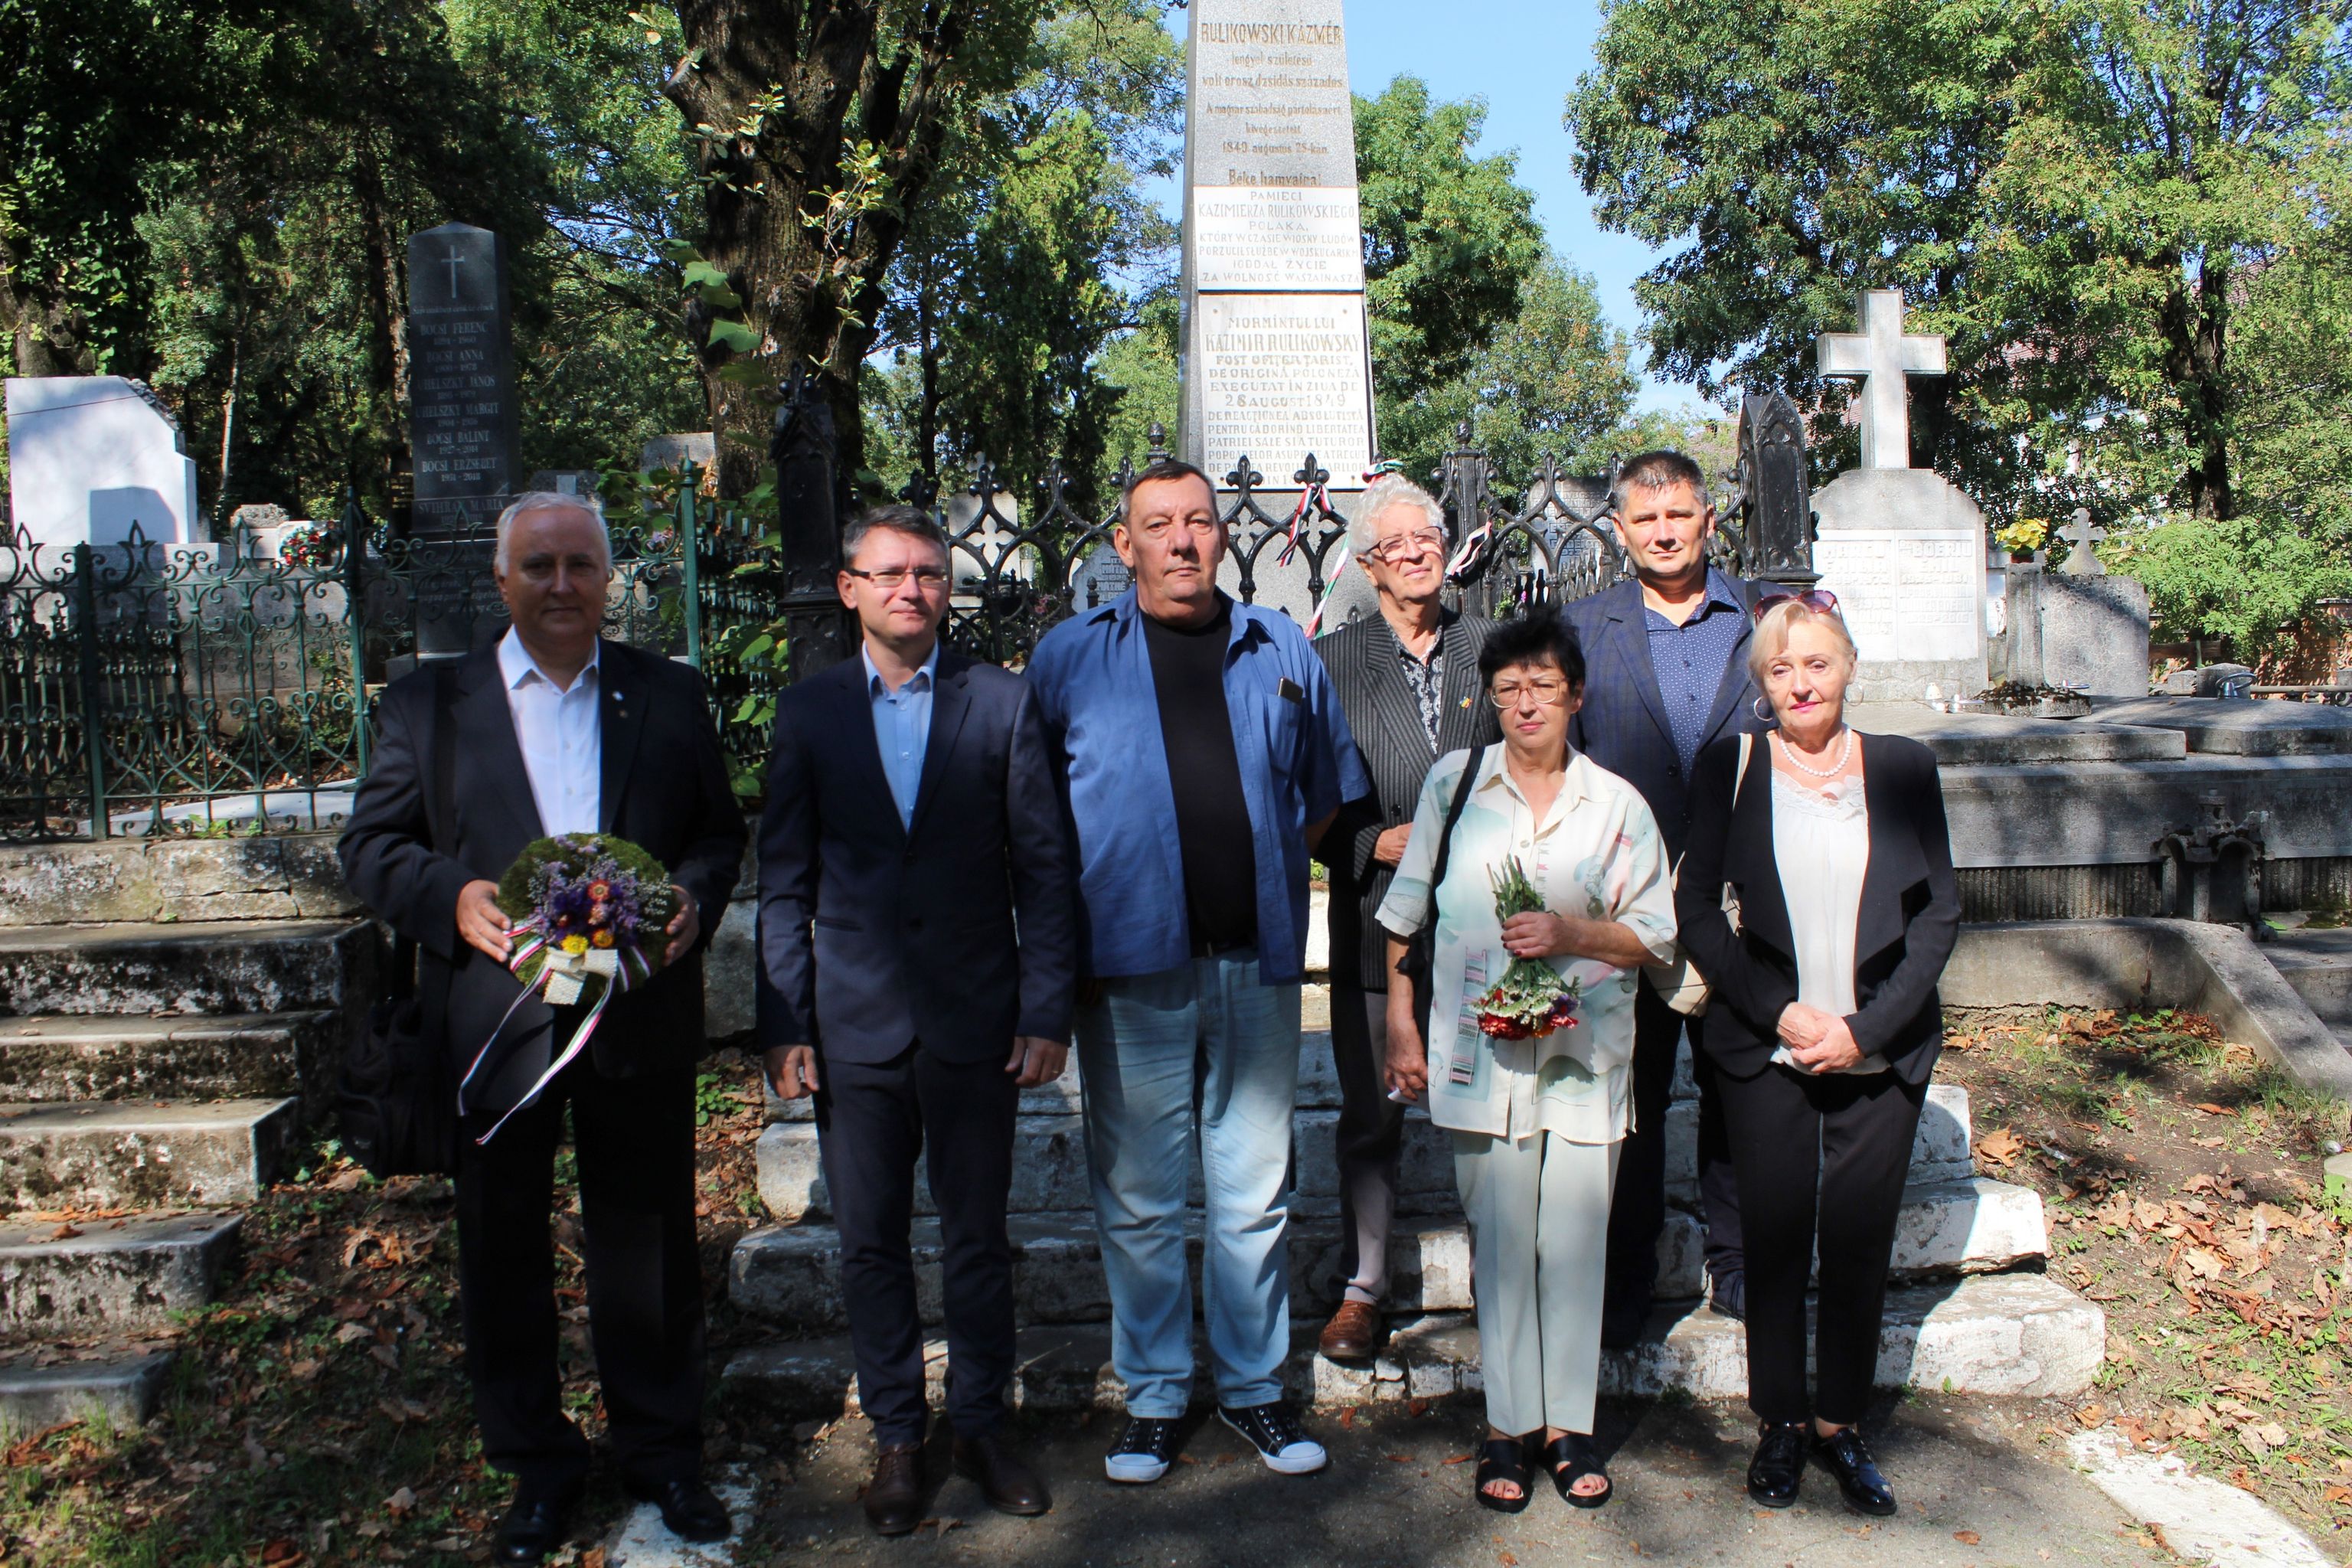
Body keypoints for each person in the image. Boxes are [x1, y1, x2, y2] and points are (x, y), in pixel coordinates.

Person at [339, 492, 746, 1563]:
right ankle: (535, 1465)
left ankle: (662, 1451)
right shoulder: (430, 704)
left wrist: (695, 898)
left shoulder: (668, 694)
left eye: (580, 565)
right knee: (502, 1242)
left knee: (648, 1238)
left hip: (635, 1009)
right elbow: (371, 846)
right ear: (502, 579)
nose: (562, 584)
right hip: (496, 1020)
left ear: (609, 579)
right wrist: (451, 897)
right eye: (540, 565)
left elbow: (716, 834)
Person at [1027, 458, 1371, 1485]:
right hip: (1129, 968)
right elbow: (1035, 822)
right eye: (1158, 524)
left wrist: (1257, 868)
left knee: (1254, 1194)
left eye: (1199, 521)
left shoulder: (1281, 646)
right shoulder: (1069, 659)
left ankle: (1255, 1391)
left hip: (1255, 964)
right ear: (1124, 544)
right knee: (1139, 1199)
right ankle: (1155, 1397)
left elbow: (1324, 794)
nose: (1182, 540)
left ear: (1223, 535)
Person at [756, 505, 1078, 1534]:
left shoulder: (1002, 702)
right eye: (890, 572)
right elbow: (783, 883)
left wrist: (1046, 1007)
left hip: (977, 1019)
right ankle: (899, 1435)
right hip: (853, 1025)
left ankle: (980, 1424)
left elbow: (1044, 868)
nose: (912, 589)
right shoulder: (809, 712)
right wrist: (784, 1021)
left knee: (979, 1236)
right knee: (870, 1242)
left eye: (929, 572)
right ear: (849, 587)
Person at [1379, 613, 1676, 1513]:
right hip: (1481, 1054)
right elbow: (1405, 911)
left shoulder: (1617, 805)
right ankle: (1507, 1425)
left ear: (1575, 695)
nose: (1525, 704)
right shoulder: (1455, 784)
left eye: (1543, 685)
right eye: (1508, 688)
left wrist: (1572, 932)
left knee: (1574, 1241)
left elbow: (1656, 935)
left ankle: (1568, 1426)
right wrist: (1401, 1024)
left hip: (1586, 1053)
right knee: (1502, 1242)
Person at [1674, 592, 1958, 1517]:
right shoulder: (1731, 765)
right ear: (1762, 682)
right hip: (1770, 1046)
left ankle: (1841, 1420)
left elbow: (1939, 914)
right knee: (1775, 1236)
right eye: (1781, 668)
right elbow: (1695, 910)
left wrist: (1864, 1029)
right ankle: (1782, 1419)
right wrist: (1782, 1013)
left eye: (1817, 663)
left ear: (1848, 668)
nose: (1801, 683)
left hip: (1880, 1046)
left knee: (1859, 1239)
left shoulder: (1905, 767)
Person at [1560, 449, 1771, 1340]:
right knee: (1628, 1101)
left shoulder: (1763, 619)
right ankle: (1625, 1278)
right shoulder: (1581, 628)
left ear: (1708, 520)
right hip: (1626, 909)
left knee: (1740, 1091)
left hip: (1740, 905)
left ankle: (1739, 1265)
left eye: (1679, 514)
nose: (1663, 532)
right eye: (1645, 519)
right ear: (1620, 530)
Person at [1311, 474, 1498, 1362]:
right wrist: (1367, 839)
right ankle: (1364, 1284)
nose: (1417, 552)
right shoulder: (1332, 661)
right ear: (1367, 564)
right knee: (1372, 1111)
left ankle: (1505, 1271)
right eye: (1397, 544)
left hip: (1486, 919)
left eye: (1429, 537)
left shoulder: (1488, 648)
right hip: (1374, 916)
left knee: (1491, 1105)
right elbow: (1303, 791)